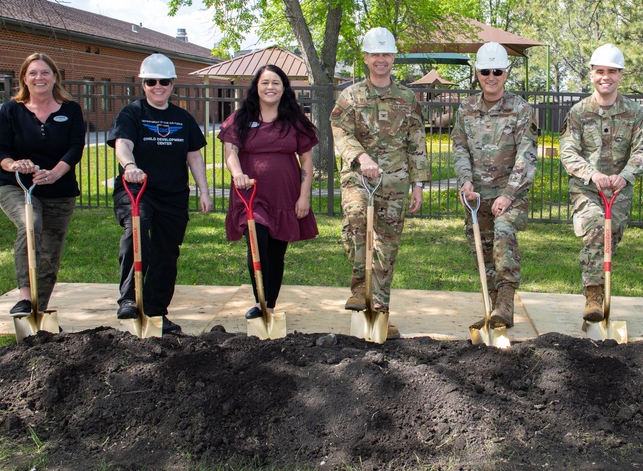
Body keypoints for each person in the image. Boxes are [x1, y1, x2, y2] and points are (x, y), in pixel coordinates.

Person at [330, 27, 430, 340]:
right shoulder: (350, 97)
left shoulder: (407, 98)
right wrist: (362, 158)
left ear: (393, 58)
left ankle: (380, 313)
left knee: (387, 247)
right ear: (366, 58)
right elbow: (339, 132)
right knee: (357, 219)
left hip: (396, 183)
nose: (381, 60)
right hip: (359, 177)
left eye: (386, 54)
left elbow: (417, 141)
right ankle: (360, 289)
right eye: (375, 54)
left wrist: (418, 185)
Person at [108, 53, 212, 334]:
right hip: (137, 191)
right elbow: (123, 144)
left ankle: (156, 312)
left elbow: (194, 157)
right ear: (143, 84)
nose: (158, 86)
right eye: (151, 81)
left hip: (173, 195)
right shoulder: (132, 113)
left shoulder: (182, 118)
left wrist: (204, 191)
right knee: (137, 230)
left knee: (167, 252)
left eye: (163, 81)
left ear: (172, 83)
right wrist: (129, 165)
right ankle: (129, 298)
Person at [560, 44, 643, 322]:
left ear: (620, 76)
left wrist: (624, 176)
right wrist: (592, 174)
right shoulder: (578, 112)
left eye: (612, 72)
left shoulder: (635, 113)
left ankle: (597, 290)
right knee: (597, 229)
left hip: (619, 188)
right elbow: (567, 151)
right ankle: (593, 295)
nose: (605, 77)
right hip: (587, 188)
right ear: (591, 75)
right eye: (600, 71)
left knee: (611, 237)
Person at [219, 65, 319, 319]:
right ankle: (259, 299)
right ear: (256, 87)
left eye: (276, 82)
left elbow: (307, 161)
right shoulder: (241, 118)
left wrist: (304, 196)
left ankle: (269, 304)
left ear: (284, 88)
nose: (270, 87)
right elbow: (230, 152)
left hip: (285, 195)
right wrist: (237, 173)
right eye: (265, 83)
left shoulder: (294, 120)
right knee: (257, 239)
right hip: (250, 194)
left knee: (276, 251)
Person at [0, 53, 85, 317]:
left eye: (45, 72)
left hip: (59, 190)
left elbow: (75, 149)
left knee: (49, 258)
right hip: (18, 187)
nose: (39, 77)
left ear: (55, 77)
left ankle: (35, 315)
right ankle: (24, 298)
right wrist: (14, 165)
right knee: (31, 224)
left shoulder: (71, 110)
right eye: (33, 73)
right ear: (24, 78)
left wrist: (55, 173)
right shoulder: (11, 110)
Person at [453, 42, 538, 328]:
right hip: (476, 196)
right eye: (485, 71)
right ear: (477, 72)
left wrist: (508, 194)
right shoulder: (465, 108)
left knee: (503, 236)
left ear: (506, 72)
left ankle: (505, 304)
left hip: (510, 195)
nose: (491, 76)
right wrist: (465, 181)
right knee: (483, 250)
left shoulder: (521, 110)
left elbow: (526, 157)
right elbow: (460, 147)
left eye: (497, 71)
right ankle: (493, 311)